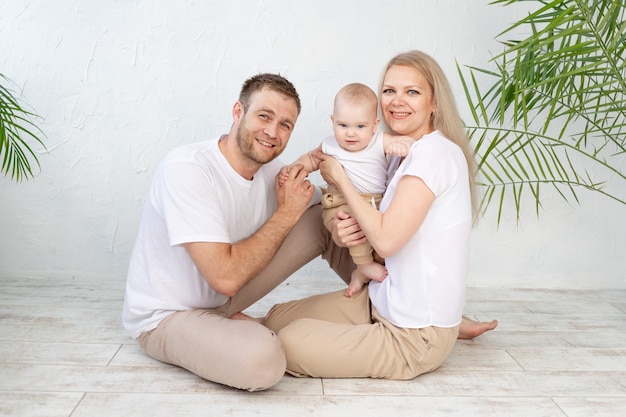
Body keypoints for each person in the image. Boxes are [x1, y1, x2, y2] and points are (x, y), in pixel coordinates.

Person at [122, 71, 496, 392]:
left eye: (285, 125)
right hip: (172, 314)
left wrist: (344, 228)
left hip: (228, 300)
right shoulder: (187, 169)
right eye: (264, 116)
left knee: (325, 211)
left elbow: (332, 211)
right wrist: (286, 214)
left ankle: (405, 303)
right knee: (262, 360)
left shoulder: (276, 172)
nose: (272, 132)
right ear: (238, 112)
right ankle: (242, 335)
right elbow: (226, 277)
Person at [261, 50, 498, 380]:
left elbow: (385, 240)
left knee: (285, 343)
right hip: (382, 300)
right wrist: (344, 231)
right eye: (389, 91)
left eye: (412, 92)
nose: (397, 101)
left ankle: (447, 328)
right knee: (274, 319)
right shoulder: (393, 153)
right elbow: (376, 225)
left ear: (434, 103)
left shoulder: (435, 155)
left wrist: (339, 178)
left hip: (413, 337)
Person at [285, 82, 415, 297]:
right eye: (343, 126)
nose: (351, 134)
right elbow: (310, 159)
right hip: (338, 204)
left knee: (386, 235)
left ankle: (361, 274)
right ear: (332, 122)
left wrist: (403, 145)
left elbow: (408, 142)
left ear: (375, 125)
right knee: (354, 224)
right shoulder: (329, 145)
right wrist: (295, 168)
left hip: (374, 203)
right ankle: (364, 266)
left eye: (360, 127)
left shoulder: (379, 141)